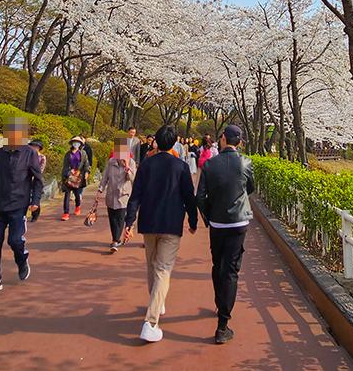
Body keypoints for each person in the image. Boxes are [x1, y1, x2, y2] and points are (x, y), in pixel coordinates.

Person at [123, 125, 198, 343]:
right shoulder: (181, 167)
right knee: (163, 269)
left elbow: (135, 196)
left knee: (152, 265)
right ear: (174, 142)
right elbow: (189, 198)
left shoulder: (147, 165)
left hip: (149, 222)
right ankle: (151, 322)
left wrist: (129, 222)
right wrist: (192, 221)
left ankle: (157, 301)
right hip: (171, 224)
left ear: (156, 141)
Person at [196, 123, 255, 344]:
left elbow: (200, 197)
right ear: (239, 142)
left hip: (218, 224)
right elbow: (251, 188)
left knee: (217, 265)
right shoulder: (245, 162)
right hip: (239, 222)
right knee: (231, 270)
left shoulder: (210, 164)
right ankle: (223, 324)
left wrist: (209, 215)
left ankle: (220, 302)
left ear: (223, 139)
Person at [0, 118, 44, 296]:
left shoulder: (30, 154)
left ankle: (22, 260)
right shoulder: (0, 154)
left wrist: (35, 201)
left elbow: (38, 180)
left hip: (18, 205)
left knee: (14, 240)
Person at [99, 138, 137, 251]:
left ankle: (115, 241)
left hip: (123, 195)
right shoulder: (111, 162)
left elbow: (133, 179)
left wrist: (127, 169)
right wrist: (100, 189)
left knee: (120, 218)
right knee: (112, 218)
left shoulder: (131, 162)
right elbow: (105, 177)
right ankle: (116, 238)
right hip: (111, 194)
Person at [60, 137, 90, 220]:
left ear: (80, 144)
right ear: (72, 143)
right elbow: (65, 166)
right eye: (74, 142)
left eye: (78, 142)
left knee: (77, 194)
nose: (76, 144)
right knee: (67, 194)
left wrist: (86, 172)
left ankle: (77, 206)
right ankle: (66, 213)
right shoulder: (68, 154)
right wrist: (69, 172)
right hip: (69, 176)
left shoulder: (83, 153)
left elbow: (86, 164)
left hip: (78, 176)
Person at [26, 137, 47, 222]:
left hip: (36, 178)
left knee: (35, 196)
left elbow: (41, 168)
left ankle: (35, 214)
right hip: (27, 178)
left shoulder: (42, 157)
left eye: (36, 146)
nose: (34, 148)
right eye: (33, 146)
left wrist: (35, 175)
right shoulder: (27, 155)